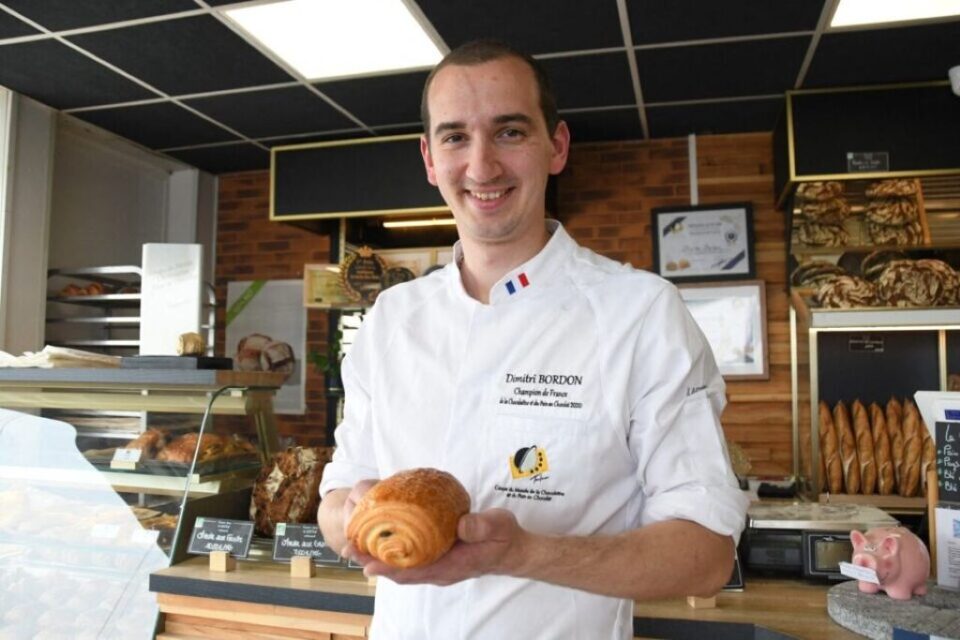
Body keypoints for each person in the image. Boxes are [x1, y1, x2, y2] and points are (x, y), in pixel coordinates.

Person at [318, 40, 750, 639]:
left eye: (510, 132)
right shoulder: (391, 319)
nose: (482, 166)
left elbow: (705, 554)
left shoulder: (641, 313)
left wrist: (520, 553)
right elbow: (336, 498)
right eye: (454, 137)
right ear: (428, 158)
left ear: (557, 146)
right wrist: (354, 513)